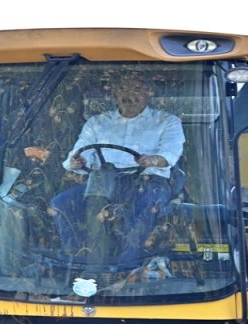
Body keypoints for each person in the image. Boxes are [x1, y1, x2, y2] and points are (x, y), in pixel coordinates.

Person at [48, 73, 185, 265]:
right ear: (114, 92)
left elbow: (170, 154)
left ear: (149, 91)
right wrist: (78, 161)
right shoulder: (97, 122)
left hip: (148, 183)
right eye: (122, 89)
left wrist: (152, 160)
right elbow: (79, 153)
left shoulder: (168, 121)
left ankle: (128, 268)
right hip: (102, 183)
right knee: (60, 204)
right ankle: (78, 261)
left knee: (144, 209)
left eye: (136, 89)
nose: (129, 95)